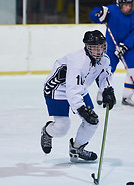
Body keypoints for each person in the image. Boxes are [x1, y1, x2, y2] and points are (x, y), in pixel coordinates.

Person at [40, 30, 116, 163]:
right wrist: (80, 109)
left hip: (79, 87)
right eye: (95, 48)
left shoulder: (105, 59)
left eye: (101, 47)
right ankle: (47, 131)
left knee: (92, 120)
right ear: (87, 48)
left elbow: (105, 76)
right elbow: (71, 89)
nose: (99, 51)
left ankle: (77, 148)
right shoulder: (77, 61)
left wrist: (108, 91)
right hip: (57, 89)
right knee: (62, 127)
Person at [89, 0, 134, 107]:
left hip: (127, 48)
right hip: (111, 48)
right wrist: (98, 12)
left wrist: (125, 46)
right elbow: (92, 17)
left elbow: (133, 34)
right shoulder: (112, 10)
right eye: (125, 5)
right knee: (108, 72)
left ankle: (127, 97)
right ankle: (103, 92)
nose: (127, 8)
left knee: (133, 71)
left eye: (129, 5)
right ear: (120, 5)